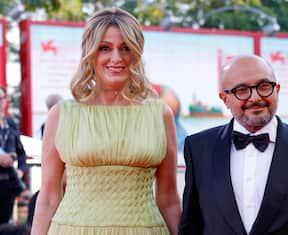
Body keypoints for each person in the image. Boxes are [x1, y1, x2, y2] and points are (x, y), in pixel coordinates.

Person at [31, 7, 181, 235]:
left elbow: (169, 199)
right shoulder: (62, 114)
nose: (116, 58)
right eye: (104, 48)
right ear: (90, 54)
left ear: (137, 53)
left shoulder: (160, 114)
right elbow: (49, 197)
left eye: (125, 48)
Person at [179, 55, 288, 235]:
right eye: (241, 90)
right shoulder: (198, 148)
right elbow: (191, 225)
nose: (255, 97)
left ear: (277, 89)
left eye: (264, 86)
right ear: (224, 99)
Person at [0, 86, 28, 224]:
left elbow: (21, 152)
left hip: (8, 183)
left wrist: (21, 171)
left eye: (1, 98)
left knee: (6, 224)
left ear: (6, 100)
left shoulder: (10, 123)